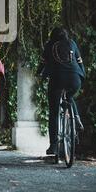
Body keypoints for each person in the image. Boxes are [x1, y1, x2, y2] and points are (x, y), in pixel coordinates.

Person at [37, 27, 85, 155]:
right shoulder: (72, 43)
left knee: (53, 111)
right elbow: (80, 62)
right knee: (69, 96)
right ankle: (76, 117)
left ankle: (53, 145)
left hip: (57, 79)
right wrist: (82, 77)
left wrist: (39, 75)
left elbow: (43, 64)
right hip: (75, 79)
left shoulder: (49, 45)